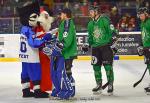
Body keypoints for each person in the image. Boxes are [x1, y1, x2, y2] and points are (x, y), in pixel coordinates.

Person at [87, 4, 114, 95]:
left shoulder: (105, 20)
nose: (90, 13)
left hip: (105, 47)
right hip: (95, 49)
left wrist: (112, 42)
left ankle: (110, 84)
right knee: (96, 67)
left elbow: (113, 32)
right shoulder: (90, 23)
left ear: (96, 12)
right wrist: (87, 43)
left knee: (108, 67)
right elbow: (90, 37)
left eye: (91, 11)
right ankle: (99, 84)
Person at [57, 8, 78, 97]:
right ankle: (69, 89)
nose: (60, 15)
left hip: (68, 52)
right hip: (66, 52)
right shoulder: (64, 23)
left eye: (61, 13)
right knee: (66, 72)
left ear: (65, 14)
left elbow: (67, 40)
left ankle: (71, 91)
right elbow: (62, 36)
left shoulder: (67, 23)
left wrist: (59, 47)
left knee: (67, 72)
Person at [137, 7, 150, 95]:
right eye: (139, 15)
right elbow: (143, 35)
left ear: (146, 14)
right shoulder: (142, 23)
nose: (140, 17)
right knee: (149, 66)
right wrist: (140, 45)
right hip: (146, 48)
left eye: (141, 15)